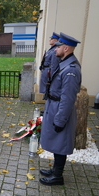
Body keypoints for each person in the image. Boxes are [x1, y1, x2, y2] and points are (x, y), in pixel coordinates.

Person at [40, 32, 81, 186]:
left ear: (66, 48)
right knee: (57, 142)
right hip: (54, 105)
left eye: (58, 46)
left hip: (61, 109)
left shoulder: (71, 70)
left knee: (61, 142)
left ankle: (58, 176)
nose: (55, 49)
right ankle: (55, 170)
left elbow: (68, 98)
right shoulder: (64, 63)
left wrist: (60, 119)